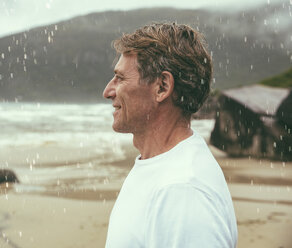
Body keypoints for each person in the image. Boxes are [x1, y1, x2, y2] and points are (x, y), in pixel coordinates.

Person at [102, 23, 238, 247]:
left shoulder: (182, 190)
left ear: (162, 87)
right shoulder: (161, 166)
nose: (108, 91)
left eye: (120, 78)